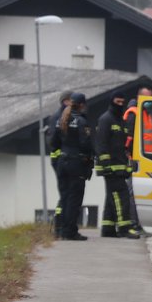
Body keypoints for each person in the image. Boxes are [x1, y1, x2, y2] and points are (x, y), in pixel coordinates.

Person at [95, 91, 141, 239]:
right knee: (122, 198)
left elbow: (123, 146)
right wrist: (106, 165)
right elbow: (101, 144)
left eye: (122, 102)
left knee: (111, 197)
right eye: (117, 102)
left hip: (120, 167)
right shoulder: (105, 119)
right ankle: (124, 228)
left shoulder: (121, 121)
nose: (120, 105)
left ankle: (108, 229)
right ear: (111, 101)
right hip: (110, 168)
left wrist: (128, 165)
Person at [50, 92, 94, 241]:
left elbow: (54, 143)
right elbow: (86, 144)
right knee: (74, 198)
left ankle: (62, 230)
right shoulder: (81, 121)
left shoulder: (61, 120)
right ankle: (70, 232)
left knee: (65, 197)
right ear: (81, 105)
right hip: (76, 163)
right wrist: (89, 159)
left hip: (62, 161)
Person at [122, 88, 152, 238]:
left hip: (144, 159)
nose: (150, 101)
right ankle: (132, 224)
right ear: (139, 97)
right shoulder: (134, 112)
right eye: (148, 98)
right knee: (132, 192)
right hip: (134, 159)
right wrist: (129, 155)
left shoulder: (145, 113)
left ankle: (137, 224)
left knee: (138, 193)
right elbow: (129, 137)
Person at [47, 90, 73, 238]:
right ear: (65, 101)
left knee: (65, 193)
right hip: (60, 160)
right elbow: (54, 141)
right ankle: (59, 226)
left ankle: (60, 226)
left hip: (61, 159)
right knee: (65, 193)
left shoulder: (62, 116)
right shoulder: (60, 117)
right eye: (72, 101)